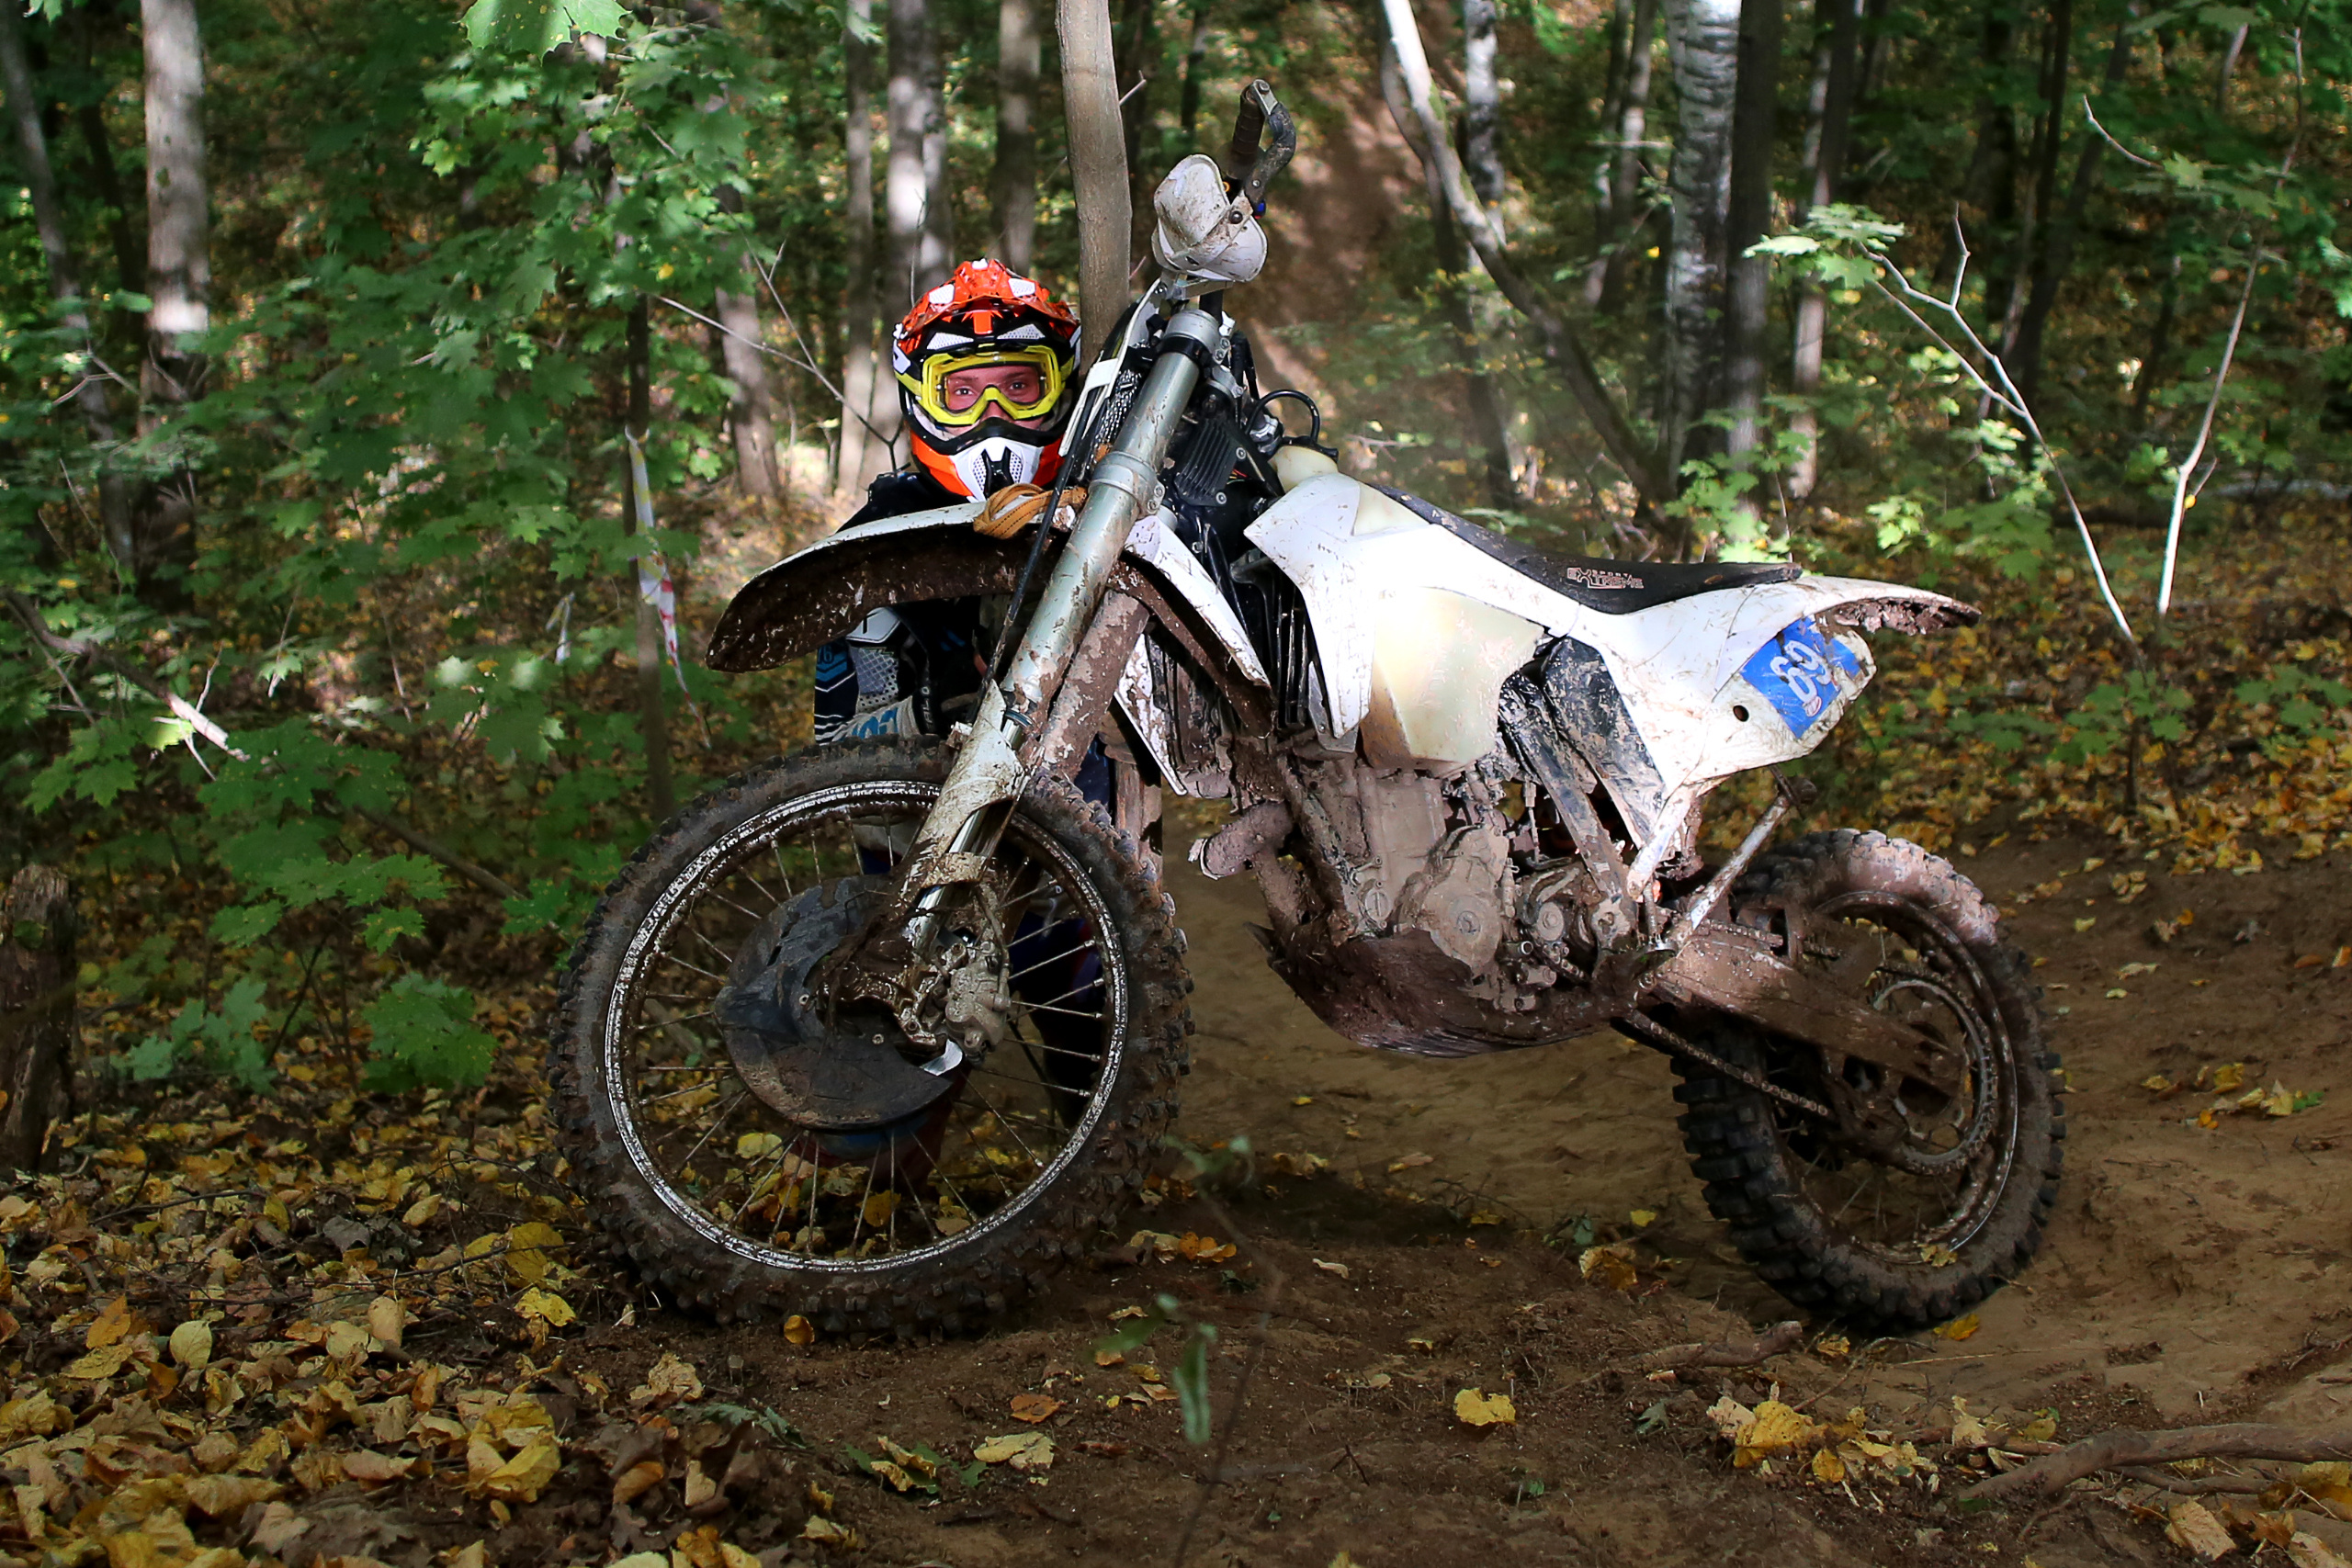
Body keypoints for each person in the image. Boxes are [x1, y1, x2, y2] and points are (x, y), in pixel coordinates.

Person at [814, 260, 1082, 748]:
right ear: (920, 401)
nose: (993, 414)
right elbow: (835, 749)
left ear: (1059, 388)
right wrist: (932, 708)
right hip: (929, 810)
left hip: (1088, 812)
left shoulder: (1099, 509)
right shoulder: (880, 541)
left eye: (1019, 387)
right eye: (962, 393)